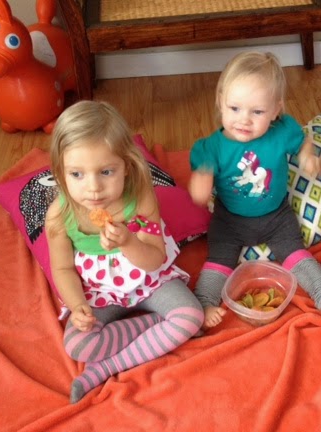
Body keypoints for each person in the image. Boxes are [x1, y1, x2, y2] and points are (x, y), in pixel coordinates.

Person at [46, 100, 204, 403]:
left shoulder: (140, 198)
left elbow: (155, 258)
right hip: (100, 292)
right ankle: (154, 323)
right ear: (60, 172)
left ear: (127, 167)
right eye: (77, 174)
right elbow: (62, 268)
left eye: (106, 171)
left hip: (150, 281)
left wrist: (128, 242)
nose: (93, 188)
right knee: (77, 345)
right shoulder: (59, 215)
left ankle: (106, 368)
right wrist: (77, 306)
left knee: (191, 316)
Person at [188, 51, 321, 329]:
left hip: (277, 217)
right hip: (229, 220)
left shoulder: (282, 131)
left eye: (257, 112)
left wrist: (308, 157)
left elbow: (302, 142)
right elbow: (198, 187)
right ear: (220, 102)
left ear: (275, 111)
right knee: (217, 262)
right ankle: (204, 303)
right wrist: (201, 182)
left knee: (298, 255)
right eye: (234, 108)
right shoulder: (211, 147)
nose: (244, 120)